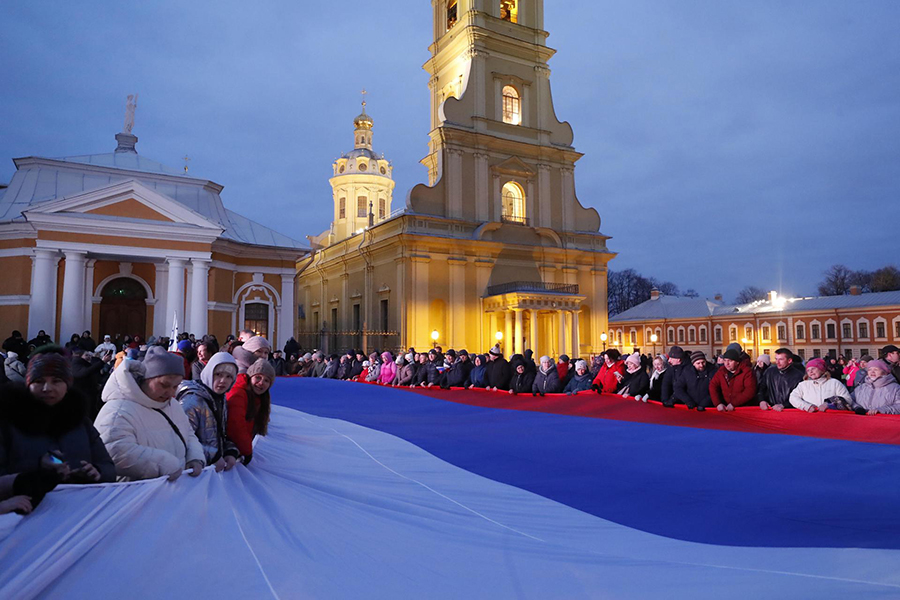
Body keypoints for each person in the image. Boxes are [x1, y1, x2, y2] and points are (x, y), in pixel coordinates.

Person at [0, 348, 116, 484]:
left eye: (56, 381)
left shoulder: (81, 422)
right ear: (28, 385)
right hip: (31, 503)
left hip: (79, 502)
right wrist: (36, 469)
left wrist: (97, 472)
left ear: (67, 386)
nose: (47, 388)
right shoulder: (8, 422)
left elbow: (108, 467)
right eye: (39, 381)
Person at [94, 347, 205, 481]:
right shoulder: (118, 410)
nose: (171, 393)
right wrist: (164, 464)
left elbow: (187, 433)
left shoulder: (173, 405)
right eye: (164, 385)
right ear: (147, 378)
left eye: (175, 386)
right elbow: (114, 450)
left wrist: (195, 457)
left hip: (173, 491)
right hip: (136, 496)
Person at [177, 352, 240, 471]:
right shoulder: (192, 401)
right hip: (194, 472)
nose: (223, 381)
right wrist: (213, 456)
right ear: (209, 373)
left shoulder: (220, 398)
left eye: (229, 377)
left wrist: (229, 451)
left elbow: (218, 434)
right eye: (218, 374)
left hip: (211, 469)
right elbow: (181, 440)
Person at [226, 358, 275, 465]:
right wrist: (247, 451)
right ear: (250, 377)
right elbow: (236, 425)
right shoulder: (239, 393)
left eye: (266, 380)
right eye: (258, 377)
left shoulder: (257, 398)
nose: (261, 383)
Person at [710, 347, 757, 412]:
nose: (727, 363)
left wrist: (734, 403)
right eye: (725, 360)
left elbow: (750, 391)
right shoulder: (721, 371)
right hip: (726, 407)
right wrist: (718, 403)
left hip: (743, 407)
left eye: (730, 361)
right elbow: (713, 385)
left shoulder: (746, 371)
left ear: (737, 362)